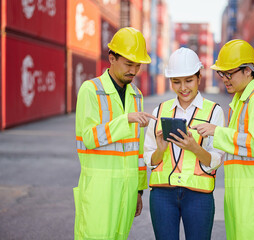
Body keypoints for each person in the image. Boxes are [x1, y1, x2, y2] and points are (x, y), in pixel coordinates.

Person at [192, 40, 254, 239]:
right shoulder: (240, 100)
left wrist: (218, 132)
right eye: (221, 74)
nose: (224, 79)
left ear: (248, 71)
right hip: (240, 193)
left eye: (229, 74)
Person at [73, 27, 156, 240]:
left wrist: (139, 190)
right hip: (99, 190)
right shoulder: (90, 90)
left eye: (138, 65)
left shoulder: (136, 95)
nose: (134, 71)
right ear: (112, 58)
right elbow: (89, 138)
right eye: (129, 64)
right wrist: (124, 120)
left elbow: (136, 149)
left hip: (127, 191)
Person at [144, 48, 225, 240]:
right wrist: (160, 150)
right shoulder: (160, 110)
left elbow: (216, 160)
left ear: (199, 77)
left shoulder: (214, 112)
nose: (183, 88)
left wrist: (194, 148)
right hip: (162, 195)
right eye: (176, 82)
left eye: (188, 80)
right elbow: (149, 158)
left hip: (199, 196)